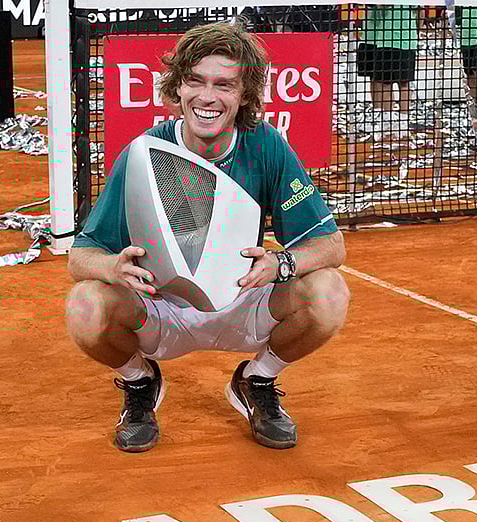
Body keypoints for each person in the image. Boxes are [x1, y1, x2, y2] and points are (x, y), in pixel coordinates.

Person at [65, 22, 348, 453]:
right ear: (176, 88)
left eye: (225, 85)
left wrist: (281, 263)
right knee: (85, 305)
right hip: (161, 309)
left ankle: (257, 380)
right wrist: (113, 268)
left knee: (329, 294)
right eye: (195, 81)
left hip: (242, 299)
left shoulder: (266, 145)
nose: (208, 97)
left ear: (244, 95)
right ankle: (141, 384)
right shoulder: (145, 151)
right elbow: (80, 256)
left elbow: (330, 246)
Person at [356, 4, 418, 136]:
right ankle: (382, 119)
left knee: (402, 82)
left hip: (403, 38)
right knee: (379, 80)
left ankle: (402, 122)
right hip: (378, 36)